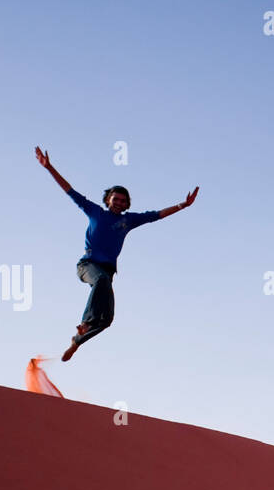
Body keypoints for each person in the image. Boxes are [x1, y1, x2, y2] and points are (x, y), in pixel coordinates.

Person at [34, 146, 198, 361]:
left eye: (123, 201)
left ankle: (76, 342)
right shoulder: (94, 211)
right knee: (101, 281)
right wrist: (49, 167)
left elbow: (156, 215)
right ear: (108, 199)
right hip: (87, 266)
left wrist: (183, 205)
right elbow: (69, 190)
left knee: (107, 320)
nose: (119, 203)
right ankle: (84, 323)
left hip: (106, 273)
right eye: (115, 199)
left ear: (127, 204)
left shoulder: (128, 221)